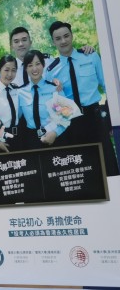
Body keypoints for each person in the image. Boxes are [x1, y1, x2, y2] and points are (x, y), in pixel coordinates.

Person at [47, 21, 118, 175]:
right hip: (72, 122)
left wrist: (112, 115)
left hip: (95, 117)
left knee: (107, 162)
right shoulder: (51, 70)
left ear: (72, 36)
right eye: (58, 38)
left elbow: (107, 85)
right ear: (53, 42)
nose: (63, 41)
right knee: (82, 166)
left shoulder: (90, 56)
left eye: (66, 36)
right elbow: (53, 102)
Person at [22, 50, 69, 147]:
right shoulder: (20, 92)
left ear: (43, 65)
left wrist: (55, 133)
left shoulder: (55, 88)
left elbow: (66, 115)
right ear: (26, 68)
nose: (34, 69)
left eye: (38, 64)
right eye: (30, 65)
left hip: (55, 137)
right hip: (31, 141)